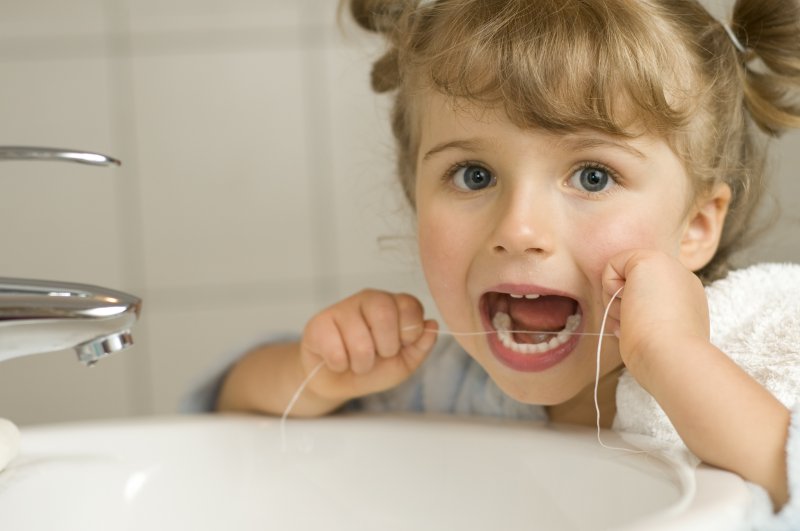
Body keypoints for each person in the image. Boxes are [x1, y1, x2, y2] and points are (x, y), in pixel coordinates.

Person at [207, 0, 800, 527]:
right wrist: (321, 372)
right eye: (475, 176)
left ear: (697, 225)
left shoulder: (769, 338)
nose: (518, 230)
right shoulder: (447, 383)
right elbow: (237, 414)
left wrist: (677, 358)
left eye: (593, 176)